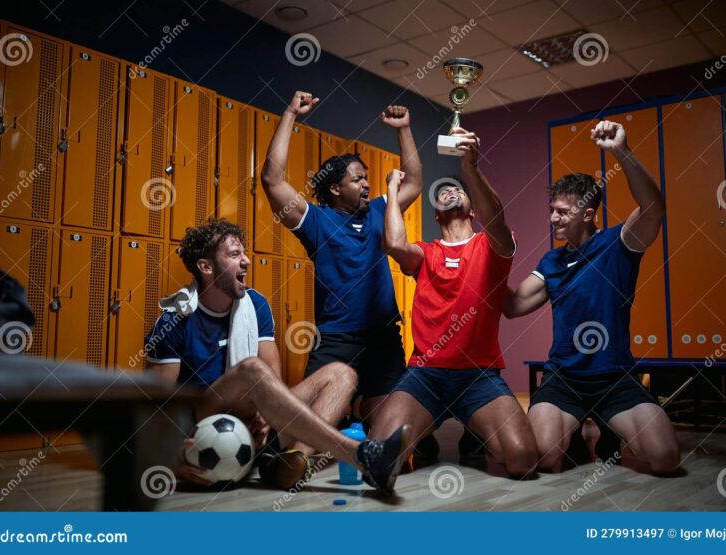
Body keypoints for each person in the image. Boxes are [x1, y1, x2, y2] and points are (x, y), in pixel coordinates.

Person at [145, 219, 410, 495]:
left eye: (244, 252)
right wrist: (169, 456)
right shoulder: (175, 320)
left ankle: (292, 462)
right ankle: (361, 456)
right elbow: (153, 405)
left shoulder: (255, 305)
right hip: (206, 423)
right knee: (251, 370)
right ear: (206, 267)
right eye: (235, 255)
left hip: (254, 422)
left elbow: (273, 383)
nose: (247, 261)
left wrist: (265, 415)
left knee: (342, 374)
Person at [504, 120, 680, 475]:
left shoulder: (618, 244)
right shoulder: (551, 262)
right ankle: (580, 441)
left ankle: (609, 427)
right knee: (544, 457)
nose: (553, 218)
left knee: (664, 459)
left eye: (562, 212)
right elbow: (513, 306)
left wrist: (620, 150)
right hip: (564, 378)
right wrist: (487, 261)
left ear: (588, 214)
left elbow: (653, 208)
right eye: (551, 209)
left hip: (614, 376)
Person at [369, 127, 539, 478]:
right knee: (380, 459)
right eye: (443, 192)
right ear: (436, 216)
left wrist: (470, 168)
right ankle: (429, 430)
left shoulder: (491, 247)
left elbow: (497, 219)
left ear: (472, 207)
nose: (449, 192)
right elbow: (394, 243)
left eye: (457, 190)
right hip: (425, 374)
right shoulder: (427, 254)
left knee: (523, 461)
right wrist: (391, 191)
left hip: (478, 377)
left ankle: (474, 429)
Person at [260, 91, 427, 435]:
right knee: (302, 428)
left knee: (394, 431)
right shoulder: (316, 221)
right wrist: (291, 114)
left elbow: (413, 182)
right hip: (337, 340)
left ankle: (360, 415)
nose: (367, 184)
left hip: (383, 339)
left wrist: (404, 129)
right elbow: (271, 180)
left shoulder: (380, 211)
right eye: (357, 179)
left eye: (366, 178)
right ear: (335, 188)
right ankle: (338, 421)